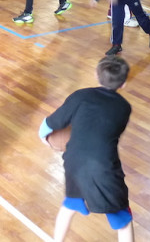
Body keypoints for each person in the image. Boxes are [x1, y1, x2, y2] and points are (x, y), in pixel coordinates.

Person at [40, 55, 135, 242]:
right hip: (104, 168)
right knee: (123, 219)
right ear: (123, 84)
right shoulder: (124, 108)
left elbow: (50, 123)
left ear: (96, 75)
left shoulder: (79, 96)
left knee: (69, 205)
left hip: (73, 162)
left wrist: (44, 138)